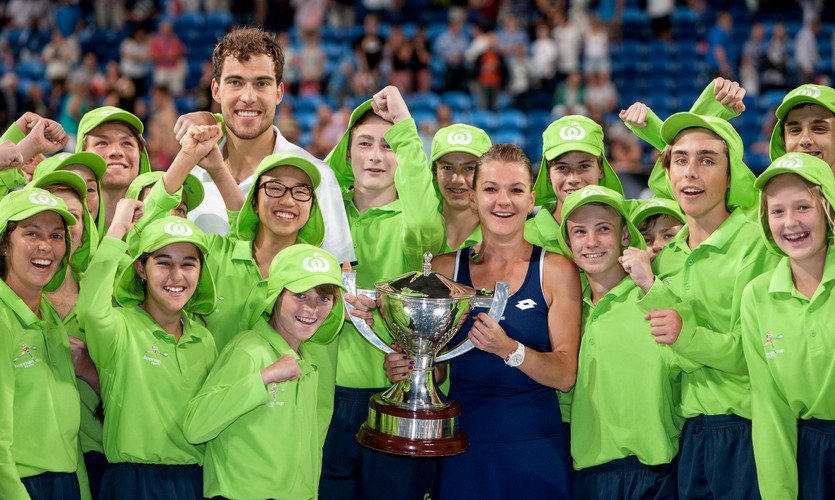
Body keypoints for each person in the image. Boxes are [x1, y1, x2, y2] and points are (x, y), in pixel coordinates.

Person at [407, 144, 581, 498]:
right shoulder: (444, 270)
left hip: (535, 449)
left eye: (515, 190)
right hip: (463, 446)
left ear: (532, 198)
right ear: (472, 198)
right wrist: (412, 364)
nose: (503, 201)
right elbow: (436, 369)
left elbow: (565, 375)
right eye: (490, 189)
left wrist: (509, 349)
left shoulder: (556, 270)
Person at [319, 86, 445, 500]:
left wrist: (406, 128)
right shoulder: (321, 218)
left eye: (388, 147)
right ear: (347, 152)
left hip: (390, 394)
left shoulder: (414, 226)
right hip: (322, 393)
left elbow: (428, 222)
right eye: (365, 144)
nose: (376, 155)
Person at [651, 112, 779, 499]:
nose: (691, 172)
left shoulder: (759, 242)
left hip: (748, 427)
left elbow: (753, 352)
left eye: (707, 160)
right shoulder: (666, 256)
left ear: (730, 175)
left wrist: (685, 337)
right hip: (689, 430)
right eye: (681, 160)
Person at [173, 27, 354, 264]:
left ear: (279, 92)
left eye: (261, 84)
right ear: (216, 90)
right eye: (236, 82)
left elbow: (340, 277)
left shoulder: (318, 176)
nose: (248, 97)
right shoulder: (187, 175)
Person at [558, 185, 695, 498]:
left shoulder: (654, 297)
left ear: (624, 236)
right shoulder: (568, 311)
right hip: (588, 477)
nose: (591, 242)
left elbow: (693, 358)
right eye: (579, 232)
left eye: (603, 229)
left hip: (656, 477)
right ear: (568, 243)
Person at [185, 244, 346, 499]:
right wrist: (264, 377)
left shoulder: (308, 364)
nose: (311, 308)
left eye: (323, 298)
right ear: (276, 295)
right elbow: (196, 426)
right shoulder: (248, 349)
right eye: (300, 294)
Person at [77, 210, 218, 500]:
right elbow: (90, 309)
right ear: (141, 269)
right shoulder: (119, 326)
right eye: (163, 263)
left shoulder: (203, 339)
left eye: (188, 264)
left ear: (201, 271)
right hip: (132, 481)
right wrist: (117, 229)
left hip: (194, 479)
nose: (176, 276)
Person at [742, 152, 835, 499]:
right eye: (777, 211)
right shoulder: (757, 295)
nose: (790, 222)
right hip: (807, 452)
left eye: (803, 207)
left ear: (828, 210)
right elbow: (769, 408)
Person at [28, 157, 105, 497]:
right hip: (29, 463)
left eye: (72, 216)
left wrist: (90, 369)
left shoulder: (109, 290)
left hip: (101, 456)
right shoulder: (14, 300)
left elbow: (141, 392)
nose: (60, 225)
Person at [0, 188, 85, 499]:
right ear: (4, 245)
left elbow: (67, 435)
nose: (46, 246)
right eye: (31, 233)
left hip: (64, 484)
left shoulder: (48, 315)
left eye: (56, 236)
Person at [526, 114, 623, 254]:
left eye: (584, 166)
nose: (573, 178)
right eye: (562, 168)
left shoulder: (625, 222)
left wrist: (652, 128)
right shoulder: (524, 237)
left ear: (601, 169)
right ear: (547, 174)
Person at [75, 106, 152, 228]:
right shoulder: (64, 226)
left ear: (140, 156)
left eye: (126, 143)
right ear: (82, 154)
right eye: (102, 143)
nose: (116, 151)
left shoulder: (160, 218)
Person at [429, 123, 491, 252]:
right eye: (447, 168)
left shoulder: (503, 238)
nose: (457, 179)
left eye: (469, 168)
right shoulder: (418, 233)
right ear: (435, 173)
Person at [768, 83, 835, 171]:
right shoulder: (765, 184)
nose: (805, 140)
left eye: (819, 129)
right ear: (783, 141)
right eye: (795, 130)